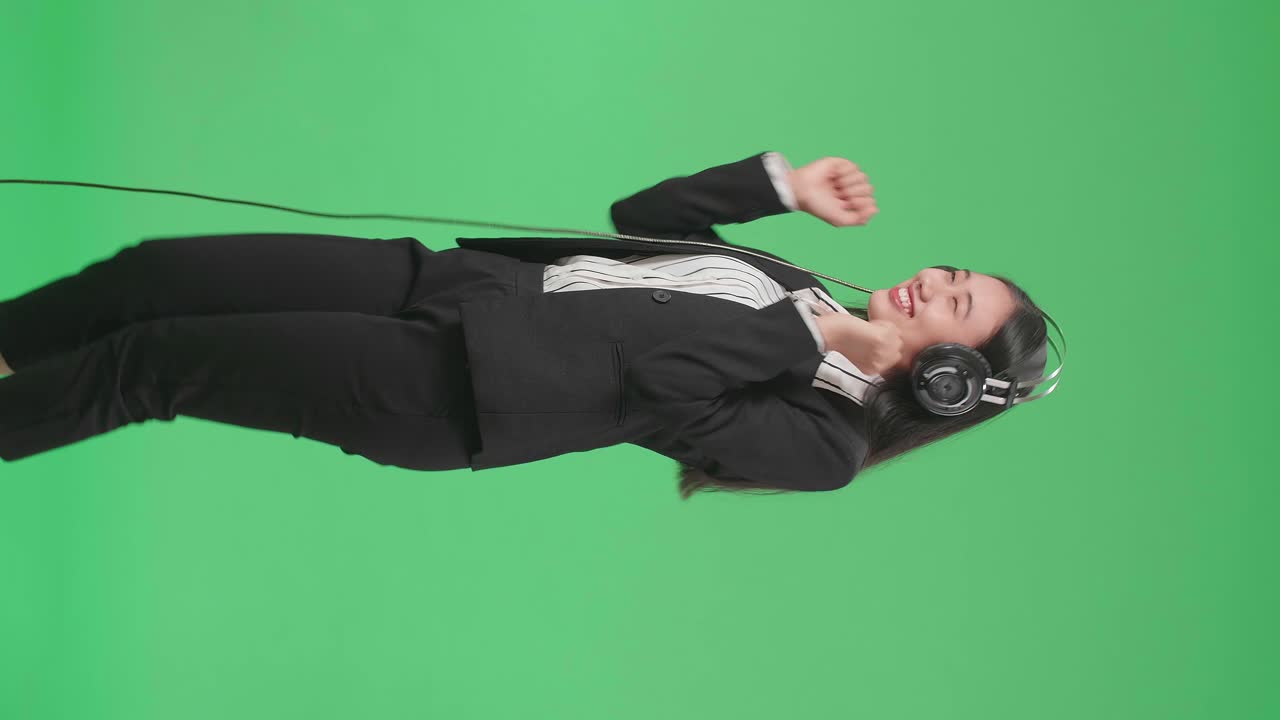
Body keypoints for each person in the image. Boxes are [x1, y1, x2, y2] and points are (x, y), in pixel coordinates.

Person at [0, 151, 1049, 499]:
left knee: (151, 366)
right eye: (945, 271)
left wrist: (812, 344)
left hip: (450, 389)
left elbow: (664, 387)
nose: (924, 282)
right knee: (152, 278)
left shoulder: (824, 442)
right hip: (451, 288)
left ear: (953, 374)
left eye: (952, 303)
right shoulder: (805, 284)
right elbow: (643, 226)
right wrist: (776, 184)